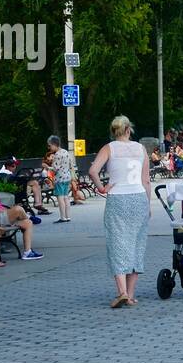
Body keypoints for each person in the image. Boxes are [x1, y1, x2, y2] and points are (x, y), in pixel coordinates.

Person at [89, 114, 150, 307]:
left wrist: (101, 187)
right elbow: (146, 180)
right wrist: (148, 205)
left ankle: (122, 292)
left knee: (118, 243)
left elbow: (93, 171)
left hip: (118, 200)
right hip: (139, 198)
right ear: (128, 130)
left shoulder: (109, 148)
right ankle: (131, 296)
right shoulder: (141, 149)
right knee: (137, 244)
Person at [0, 166, 42, 264]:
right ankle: (27, 215)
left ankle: (28, 252)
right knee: (18, 209)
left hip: (0, 216)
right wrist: (9, 211)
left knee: (27, 223)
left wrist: (8, 210)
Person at [46, 135, 74, 223]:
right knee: (66, 197)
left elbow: (55, 168)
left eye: (50, 145)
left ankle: (62, 217)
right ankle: (68, 216)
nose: (49, 147)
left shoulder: (57, 155)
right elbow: (70, 164)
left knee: (60, 198)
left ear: (54, 144)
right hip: (67, 177)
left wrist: (47, 167)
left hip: (59, 178)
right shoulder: (65, 152)